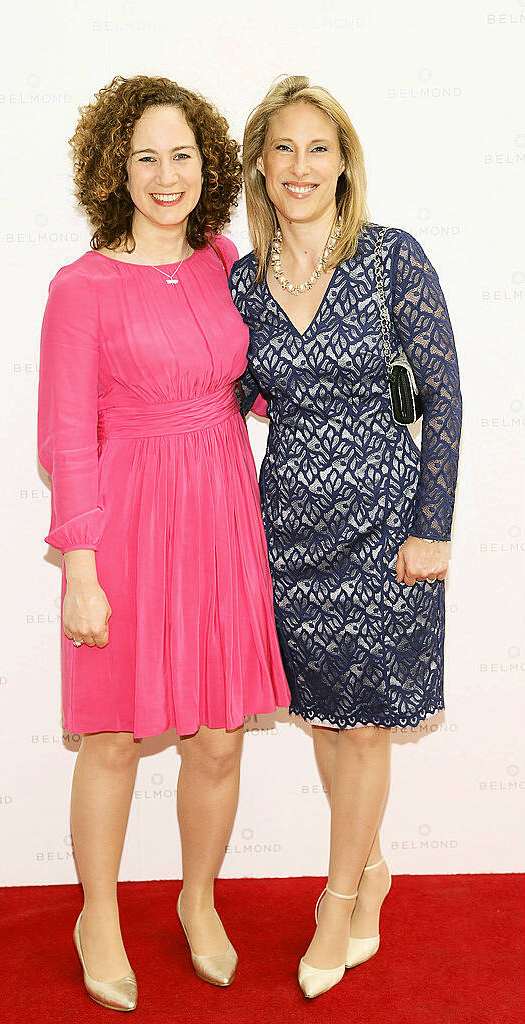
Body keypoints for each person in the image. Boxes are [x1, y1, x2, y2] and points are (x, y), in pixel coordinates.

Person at [38, 74, 289, 1012]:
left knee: (219, 740)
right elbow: (67, 439)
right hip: (131, 526)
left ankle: (197, 899)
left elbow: (258, 378)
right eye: (145, 156)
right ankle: (96, 912)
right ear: (116, 169)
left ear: (207, 164)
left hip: (223, 513)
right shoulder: (83, 287)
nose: (166, 173)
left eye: (182, 153)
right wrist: (82, 572)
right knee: (111, 737)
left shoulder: (225, 260)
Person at [229, 75, 462, 999]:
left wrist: (433, 529)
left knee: (365, 724)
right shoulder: (244, 283)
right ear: (260, 165)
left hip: (385, 524)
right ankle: (369, 867)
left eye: (317, 147)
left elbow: (444, 396)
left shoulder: (391, 257)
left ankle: (336, 900)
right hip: (288, 528)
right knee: (326, 717)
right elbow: (225, 400)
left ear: (344, 161)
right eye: (282, 148)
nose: (300, 166)